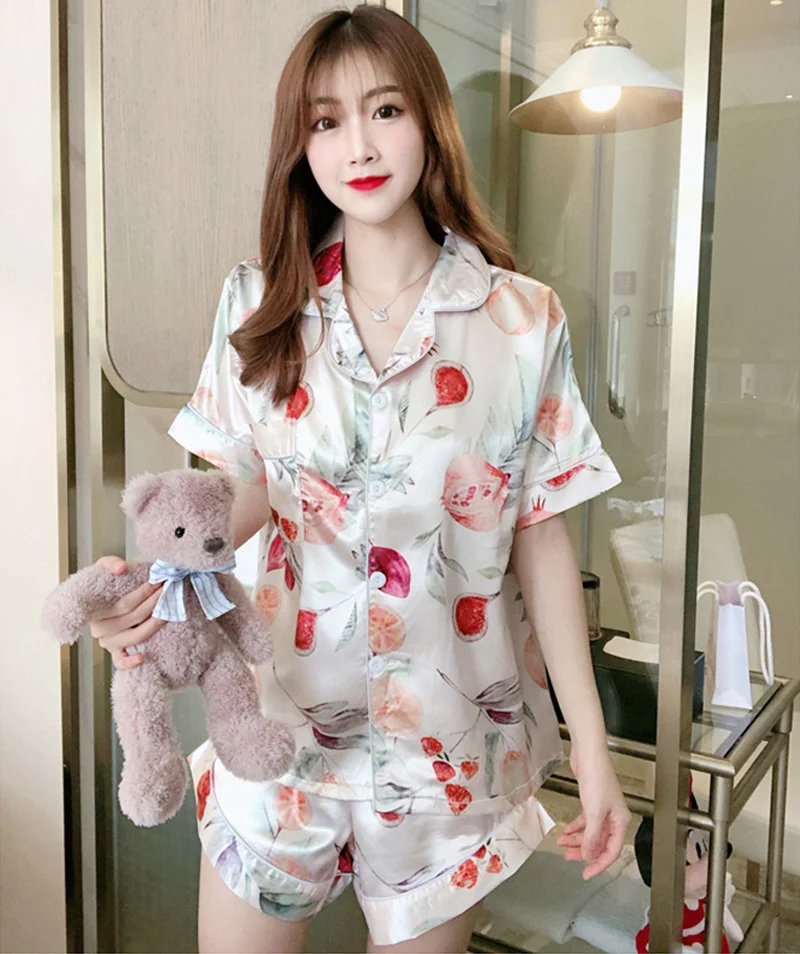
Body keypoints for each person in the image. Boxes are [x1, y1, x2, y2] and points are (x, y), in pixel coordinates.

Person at [89, 6, 630, 953]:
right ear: (300, 145)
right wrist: (149, 588)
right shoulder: (258, 303)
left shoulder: (521, 321)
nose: (360, 146)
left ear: (428, 121)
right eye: (326, 120)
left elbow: (541, 534)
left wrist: (590, 742)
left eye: (385, 110)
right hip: (278, 732)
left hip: (449, 756)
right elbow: (239, 494)